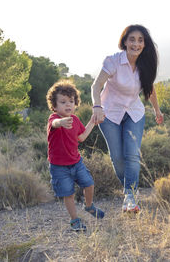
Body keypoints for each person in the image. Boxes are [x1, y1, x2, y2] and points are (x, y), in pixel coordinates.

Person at [91, 24, 163, 213]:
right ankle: (129, 188)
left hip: (134, 113)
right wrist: (97, 107)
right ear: (124, 41)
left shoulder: (145, 65)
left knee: (132, 154)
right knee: (117, 157)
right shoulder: (113, 61)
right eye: (132, 39)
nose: (136, 44)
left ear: (144, 44)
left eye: (140, 40)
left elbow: (150, 90)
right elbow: (96, 86)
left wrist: (157, 111)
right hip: (109, 114)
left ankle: (130, 197)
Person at [46, 79, 105, 231]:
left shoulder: (75, 119)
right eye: (63, 101)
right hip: (59, 167)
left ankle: (89, 206)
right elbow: (54, 124)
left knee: (89, 183)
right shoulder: (54, 119)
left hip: (76, 162)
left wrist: (92, 122)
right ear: (55, 105)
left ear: (75, 103)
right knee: (69, 194)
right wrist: (61, 122)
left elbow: (81, 137)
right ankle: (75, 221)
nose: (68, 104)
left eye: (71, 101)